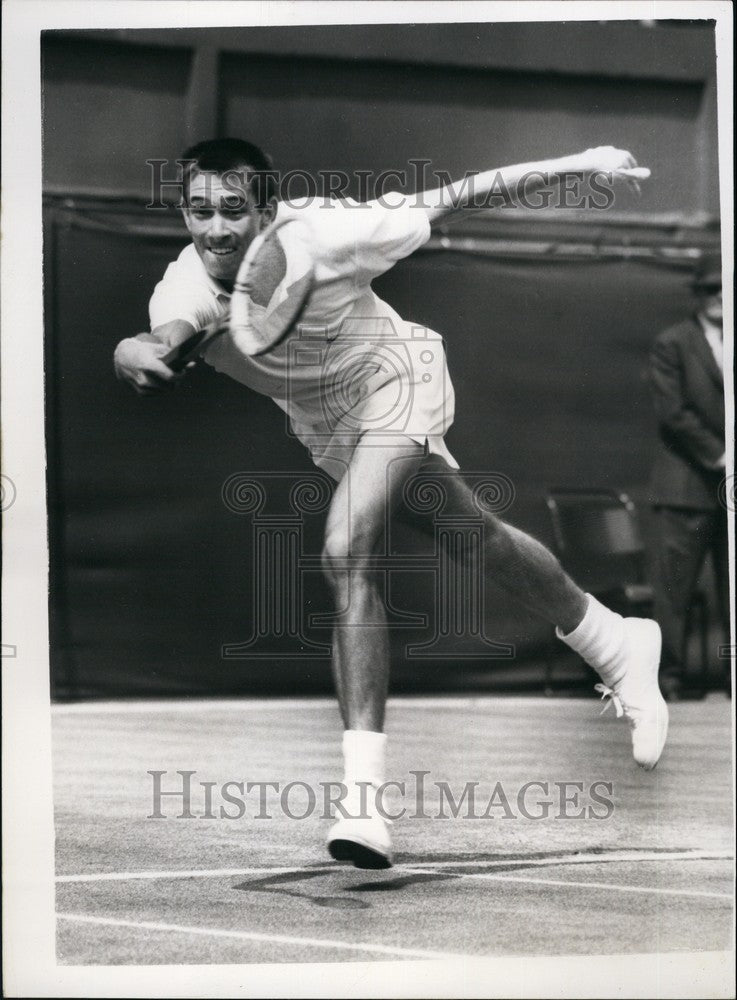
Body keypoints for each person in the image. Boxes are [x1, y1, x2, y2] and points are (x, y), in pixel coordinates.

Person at [114, 138, 668, 869]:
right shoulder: (181, 285)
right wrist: (131, 350)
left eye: (233, 210)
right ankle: (612, 640)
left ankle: (363, 803)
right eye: (198, 211)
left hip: (396, 377)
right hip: (327, 426)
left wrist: (575, 166)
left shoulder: (332, 232)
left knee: (346, 549)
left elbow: (458, 192)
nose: (216, 229)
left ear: (266, 210)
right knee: (474, 536)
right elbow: (165, 334)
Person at [648, 256, 727, 700]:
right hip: (685, 490)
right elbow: (673, 414)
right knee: (674, 594)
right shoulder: (672, 343)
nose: (718, 296)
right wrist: (720, 455)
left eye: (724, 288)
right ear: (696, 296)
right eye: (709, 289)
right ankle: (668, 683)